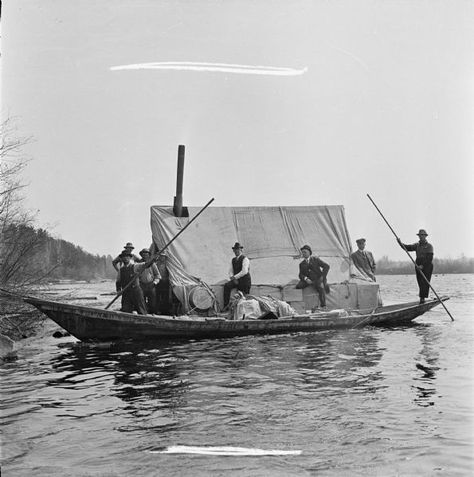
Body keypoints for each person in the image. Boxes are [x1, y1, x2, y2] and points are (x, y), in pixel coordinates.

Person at [397, 229, 434, 304]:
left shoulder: (429, 246)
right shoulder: (417, 245)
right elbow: (407, 248)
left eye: (423, 235)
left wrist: (422, 266)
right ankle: (421, 297)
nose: (421, 237)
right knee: (420, 281)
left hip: (427, 265)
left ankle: (422, 298)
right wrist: (400, 243)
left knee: (425, 282)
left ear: (425, 236)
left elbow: (429, 258)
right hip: (418, 263)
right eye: (420, 236)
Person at [223, 242, 251, 308]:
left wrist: (234, 278)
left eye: (237, 249)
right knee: (227, 286)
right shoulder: (233, 260)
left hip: (244, 280)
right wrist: (232, 277)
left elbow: (244, 271)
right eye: (235, 250)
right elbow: (230, 271)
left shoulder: (245, 259)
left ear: (241, 250)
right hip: (236, 280)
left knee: (242, 295)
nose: (236, 251)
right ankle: (226, 306)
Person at [137, 248, 161, 314]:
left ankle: (153, 313)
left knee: (153, 301)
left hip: (151, 285)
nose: (145, 255)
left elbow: (158, 275)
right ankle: (144, 314)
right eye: (143, 254)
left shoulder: (152, 264)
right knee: (142, 301)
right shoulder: (138, 264)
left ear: (148, 255)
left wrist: (155, 282)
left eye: (146, 254)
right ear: (141, 255)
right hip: (141, 285)